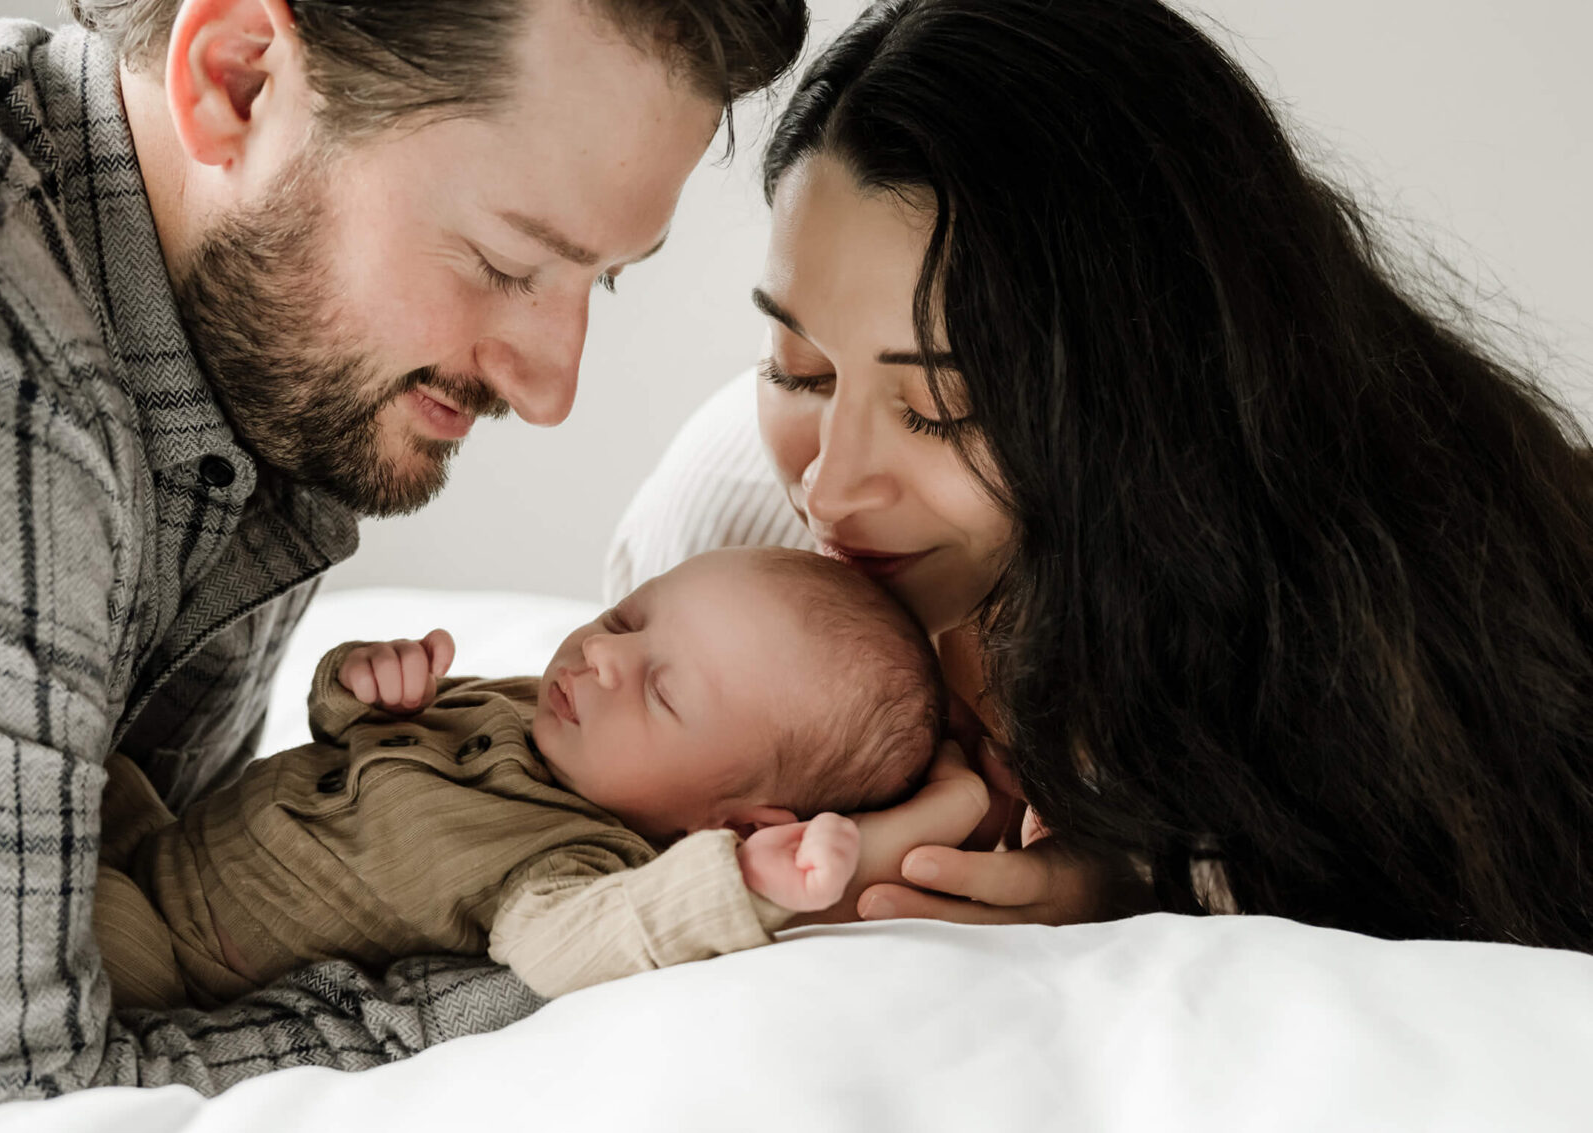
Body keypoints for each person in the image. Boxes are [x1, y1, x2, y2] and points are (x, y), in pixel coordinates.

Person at [0, 0, 808, 1133]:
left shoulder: (262, 360)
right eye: (506, 260)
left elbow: (151, 888)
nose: (550, 387)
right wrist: (595, 963)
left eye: (602, 279)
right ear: (236, 79)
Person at [611, 0, 1593, 949]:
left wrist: (1142, 886)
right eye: (798, 368)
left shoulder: (1367, 614)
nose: (828, 489)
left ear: (1143, 396)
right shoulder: (722, 532)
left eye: (944, 409)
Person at [93, 546, 949, 1007]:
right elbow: (339, 739)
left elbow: (578, 944)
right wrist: (363, 683)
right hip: (164, 832)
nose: (603, 653)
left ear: (733, 817)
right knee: (79, 759)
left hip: (175, 950)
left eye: (660, 690)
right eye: (628, 617)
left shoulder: (573, 858)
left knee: (64, 914)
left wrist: (744, 882)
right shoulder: (530, 708)